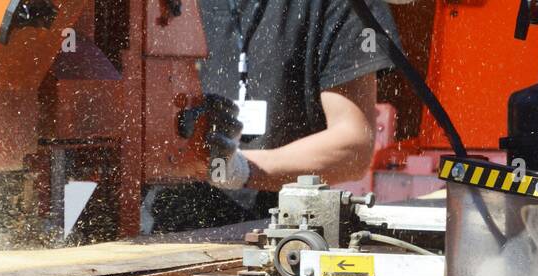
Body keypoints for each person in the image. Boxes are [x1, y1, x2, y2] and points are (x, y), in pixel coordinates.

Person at [148, 0, 400, 232]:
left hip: (285, 231)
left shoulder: (343, 4)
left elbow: (353, 147)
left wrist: (241, 169)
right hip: (166, 229)